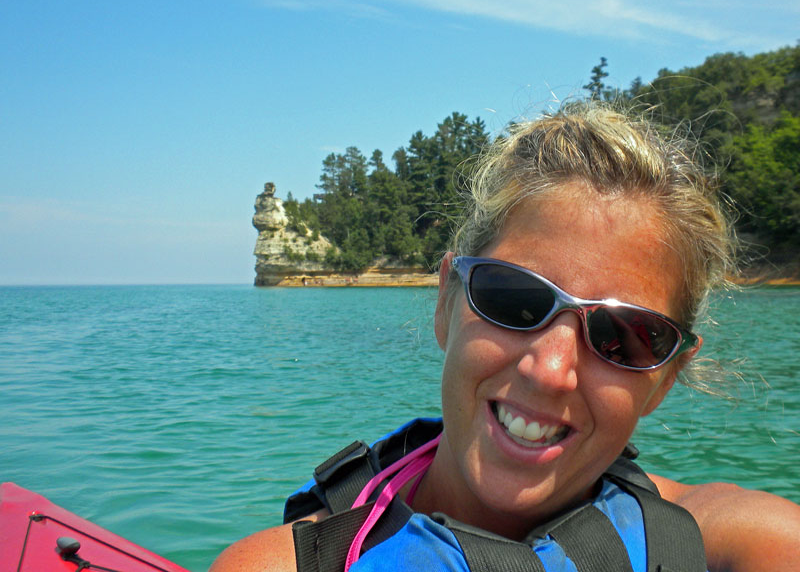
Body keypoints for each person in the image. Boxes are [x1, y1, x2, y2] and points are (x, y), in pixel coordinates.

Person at [211, 103, 800, 572]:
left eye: (625, 336)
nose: (550, 370)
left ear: (665, 379)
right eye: (515, 299)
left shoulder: (747, 549)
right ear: (447, 302)